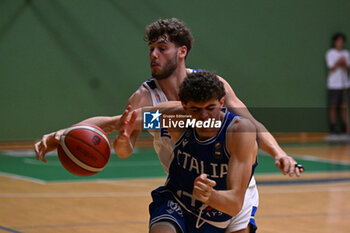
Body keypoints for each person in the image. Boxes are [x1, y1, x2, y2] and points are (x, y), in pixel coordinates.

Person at [34, 18, 303, 177]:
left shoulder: (212, 87)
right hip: (183, 186)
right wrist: (60, 136)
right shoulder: (145, 99)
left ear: (182, 51)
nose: (153, 55)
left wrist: (280, 154)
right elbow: (115, 127)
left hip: (229, 179)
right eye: (151, 49)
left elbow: (251, 125)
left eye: (162, 48)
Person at [118, 70, 259, 233]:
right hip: (177, 201)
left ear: (221, 103)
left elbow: (234, 204)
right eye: (196, 109)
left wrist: (210, 195)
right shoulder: (174, 117)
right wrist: (118, 135)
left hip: (221, 210)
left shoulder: (239, 131)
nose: (204, 116)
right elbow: (123, 122)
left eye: (210, 108)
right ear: (184, 106)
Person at [325, 32, 350, 136]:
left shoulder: (346, 53)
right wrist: (338, 62)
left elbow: (348, 68)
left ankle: (344, 127)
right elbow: (331, 67)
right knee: (333, 106)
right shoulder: (330, 53)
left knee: (344, 106)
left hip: (344, 84)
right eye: (338, 41)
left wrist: (344, 63)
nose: (340, 43)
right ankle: (333, 127)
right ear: (334, 42)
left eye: (341, 41)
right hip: (333, 84)